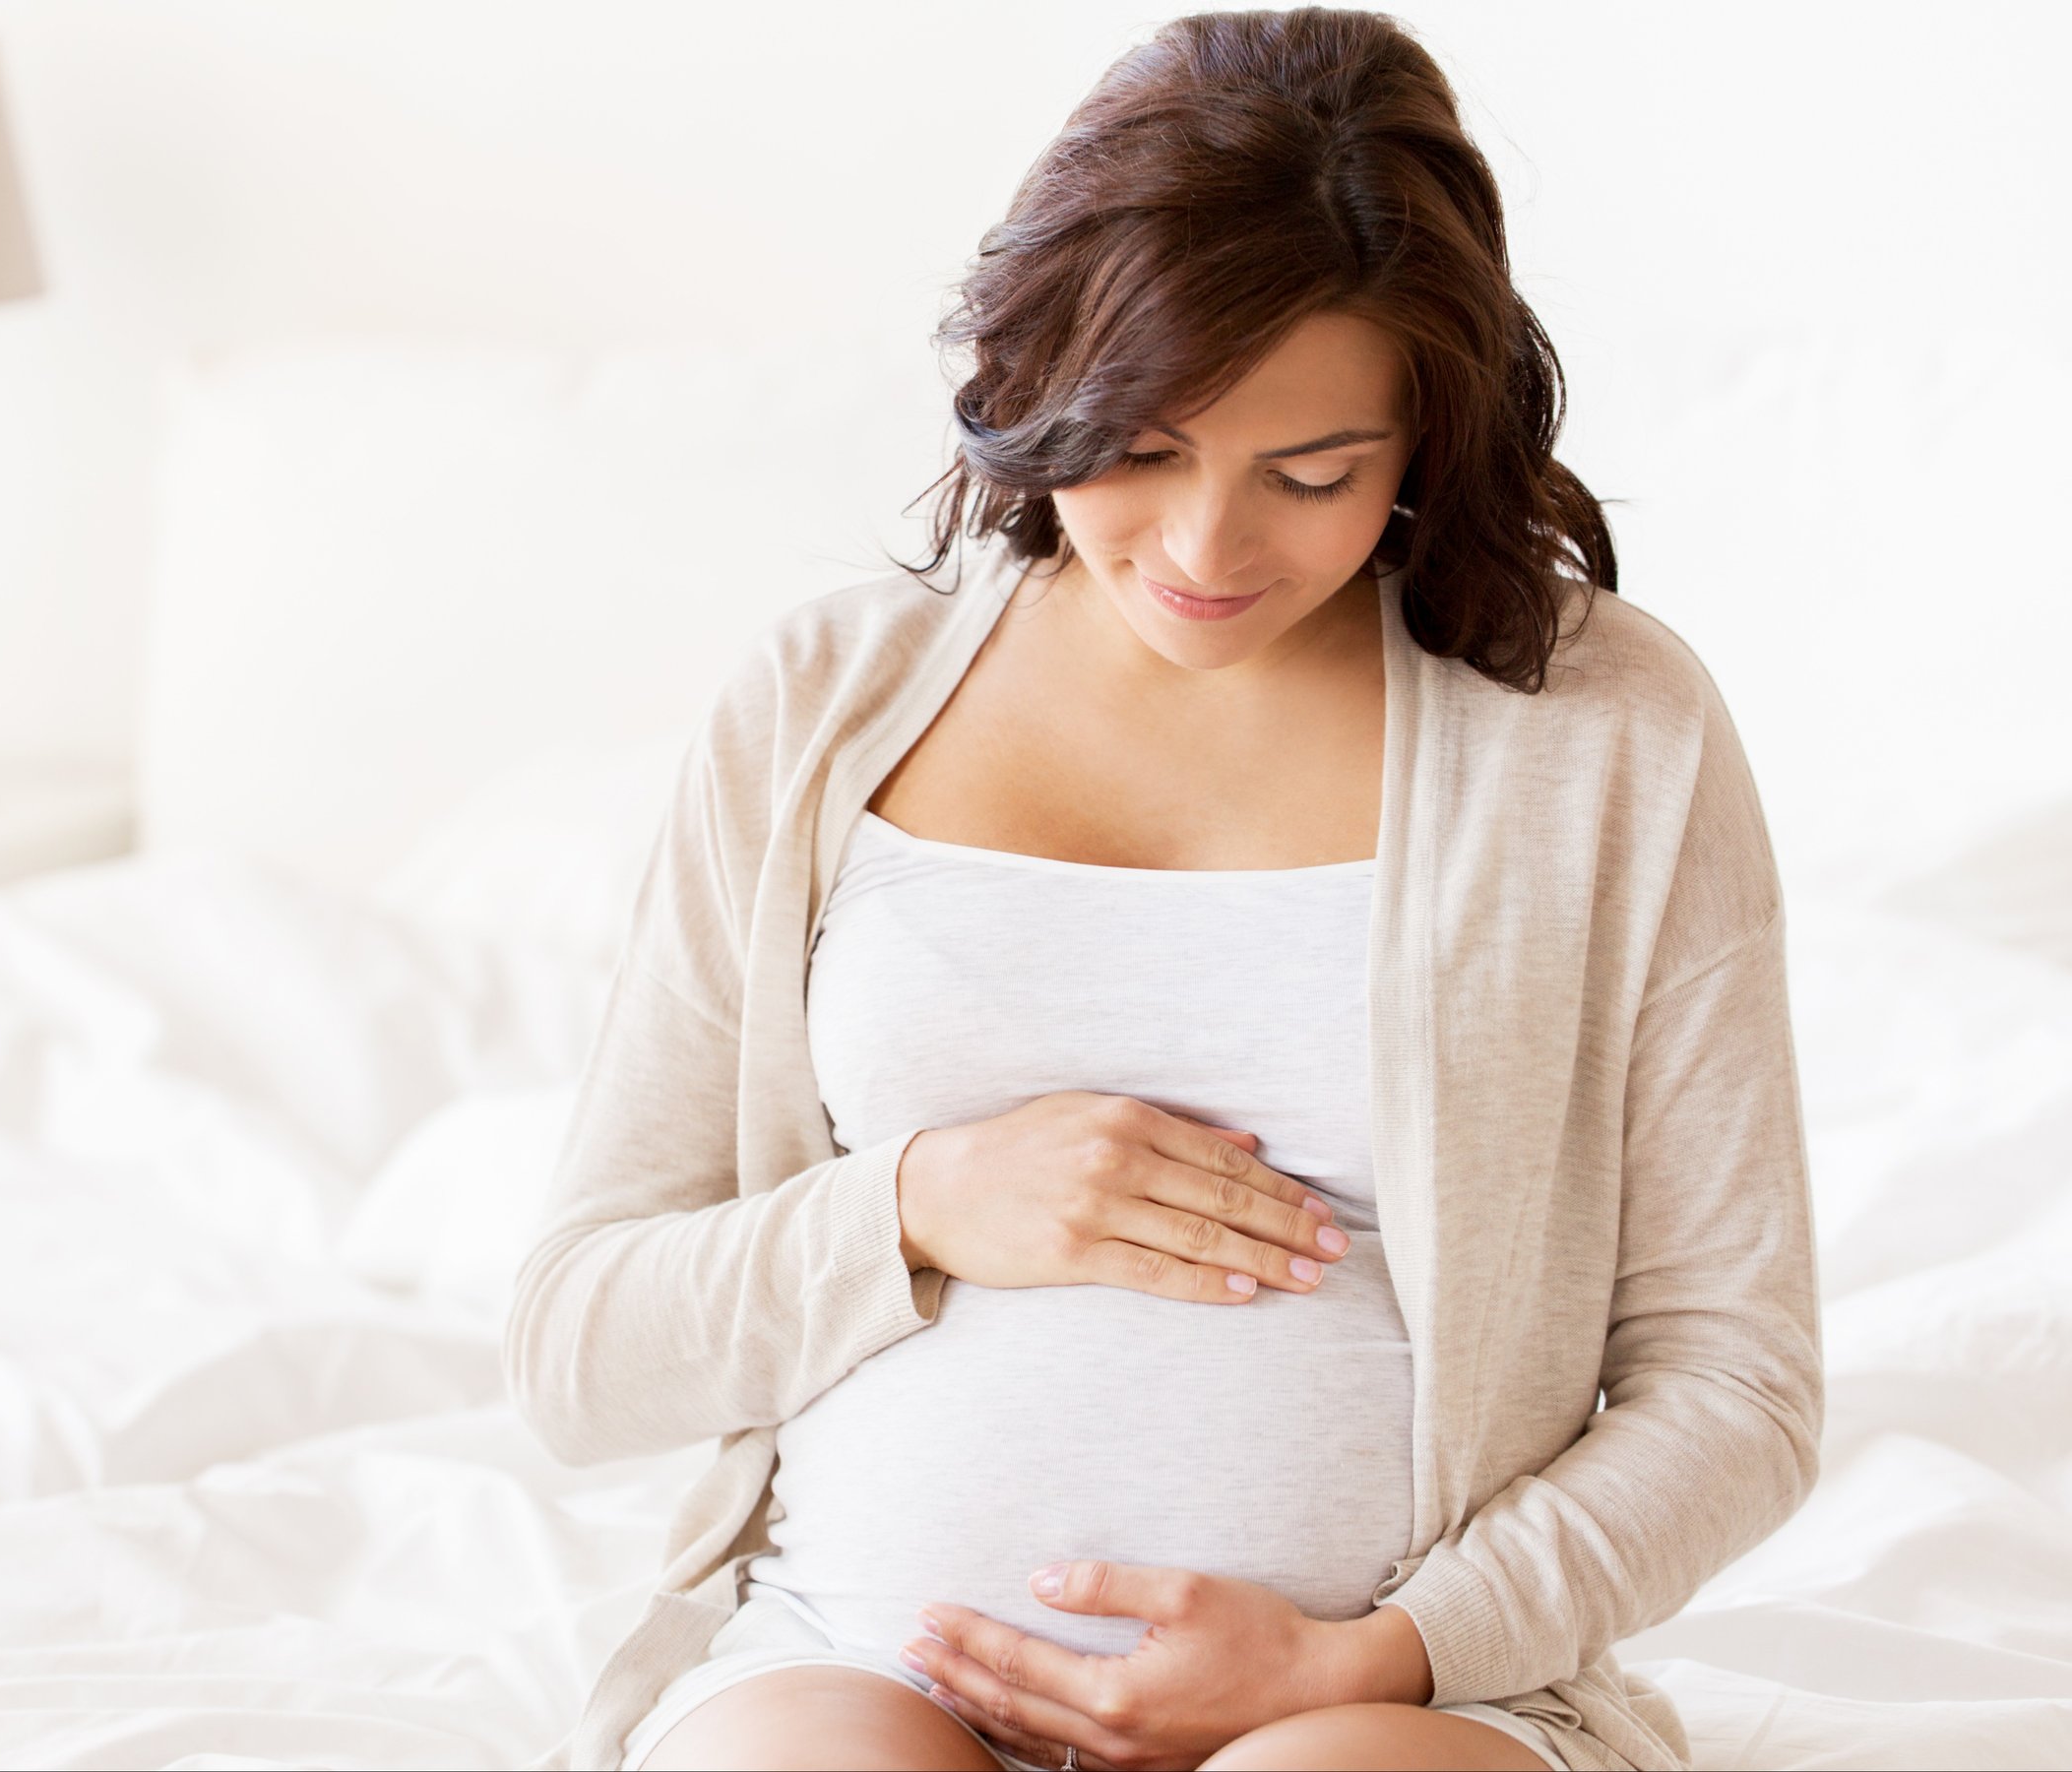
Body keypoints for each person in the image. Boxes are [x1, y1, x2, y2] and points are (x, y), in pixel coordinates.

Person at [504, 9, 1825, 1770]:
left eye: (1311, 474)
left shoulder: (1600, 731)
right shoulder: (824, 704)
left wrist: (1374, 1664)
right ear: (1042, 385)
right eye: (1138, 450)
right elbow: (578, 1343)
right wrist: (919, 1199)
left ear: (1427, 434)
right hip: (851, 1659)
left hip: (1410, 1703)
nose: (1208, 553)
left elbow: (1737, 1385)